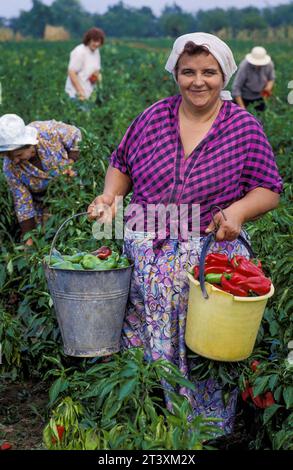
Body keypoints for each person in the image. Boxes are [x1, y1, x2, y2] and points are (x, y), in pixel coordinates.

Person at [87, 33, 282, 434]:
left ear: (225, 75)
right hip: (146, 251)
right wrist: (109, 198)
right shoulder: (152, 117)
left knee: (204, 346)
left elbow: (268, 188)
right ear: (175, 74)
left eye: (209, 72)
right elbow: (120, 162)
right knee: (144, 337)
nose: (198, 81)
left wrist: (237, 212)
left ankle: (203, 431)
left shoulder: (243, 127)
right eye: (188, 71)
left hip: (209, 253)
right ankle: (151, 423)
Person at [0, 114, 81, 245]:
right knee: (50, 237)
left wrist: (71, 162)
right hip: (44, 202)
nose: (15, 161)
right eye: (10, 157)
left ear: (29, 144)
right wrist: (28, 236)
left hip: (73, 192)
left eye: (19, 155)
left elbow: (76, 136)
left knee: (79, 227)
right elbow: (22, 202)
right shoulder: (10, 167)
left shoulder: (46, 131)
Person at [65, 27, 105, 102]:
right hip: (75, 94)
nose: (96, 44)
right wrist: (80, 92)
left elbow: (95, 70)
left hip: (88, 93)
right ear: (88, 40)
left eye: (99, 42)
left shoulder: (96, 51)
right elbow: (71, 72)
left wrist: (96, 77)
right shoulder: (79, 51)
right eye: (94, 41)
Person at [232, 46, 275, 112]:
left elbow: (271, 78)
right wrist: (242, 108)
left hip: (259, 98)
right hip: (244, 98)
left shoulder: (269, 65)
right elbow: (236, 88)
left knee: (259, 119)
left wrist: (268, 87)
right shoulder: (244, 66)